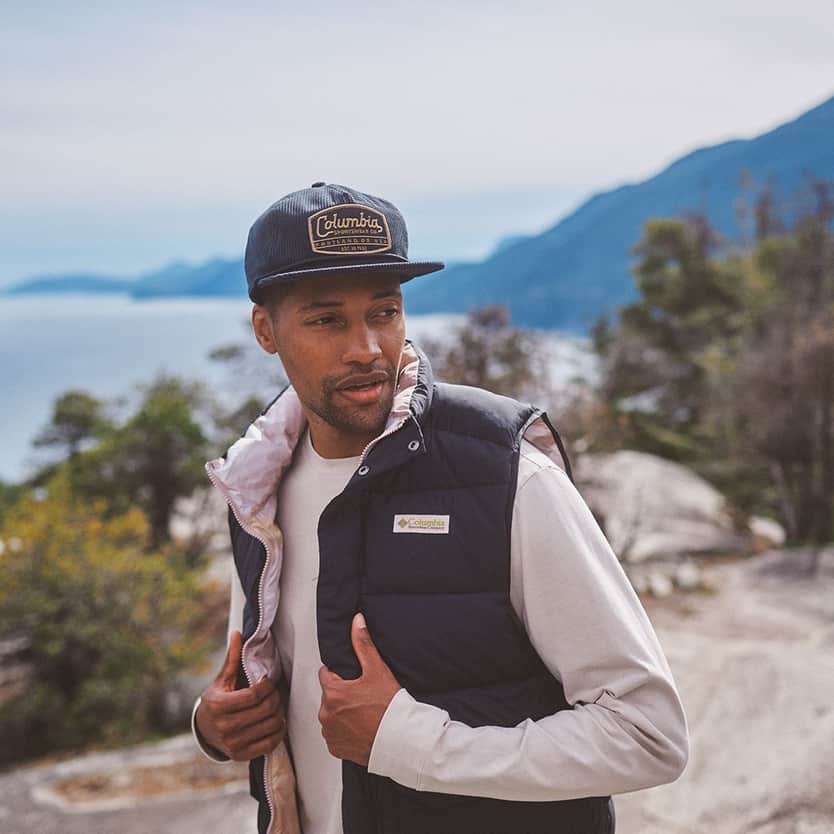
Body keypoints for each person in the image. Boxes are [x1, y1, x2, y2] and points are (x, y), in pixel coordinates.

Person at [191, 182, 689, 834]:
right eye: (325, 320)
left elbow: (650, 735)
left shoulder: (505, 473)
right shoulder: (255, 486)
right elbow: (268, 681)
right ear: (266, 329)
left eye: (384, 312)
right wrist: (214, 723)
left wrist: (408, 742)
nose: (367, 347)